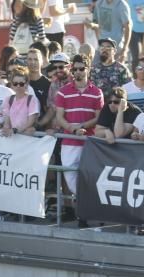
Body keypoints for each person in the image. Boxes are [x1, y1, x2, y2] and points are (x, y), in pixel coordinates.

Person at [54, 54, 103, 201]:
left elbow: (98, 117)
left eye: (81, 68)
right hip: (69, 142)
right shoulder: (63, 91)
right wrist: (73, 129)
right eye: (75, 69)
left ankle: (84, 209)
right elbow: (59, 117)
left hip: (89, 141)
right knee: (70, 177)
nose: (78, 72)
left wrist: (81, 126)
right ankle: (85, 203)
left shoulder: (97, 92)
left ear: (88, 69)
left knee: (88, 176)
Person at [2, 66, 40, 136]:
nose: (18, 86)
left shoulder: (32, 99)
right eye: (15, 84)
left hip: (27, 138)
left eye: (21, 84)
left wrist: (15, 130)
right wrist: (6, 129)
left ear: (26, 84)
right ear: (11, 85)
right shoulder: (8, 100)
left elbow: (30, 122)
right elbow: (7, 122)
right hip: (13, 138)